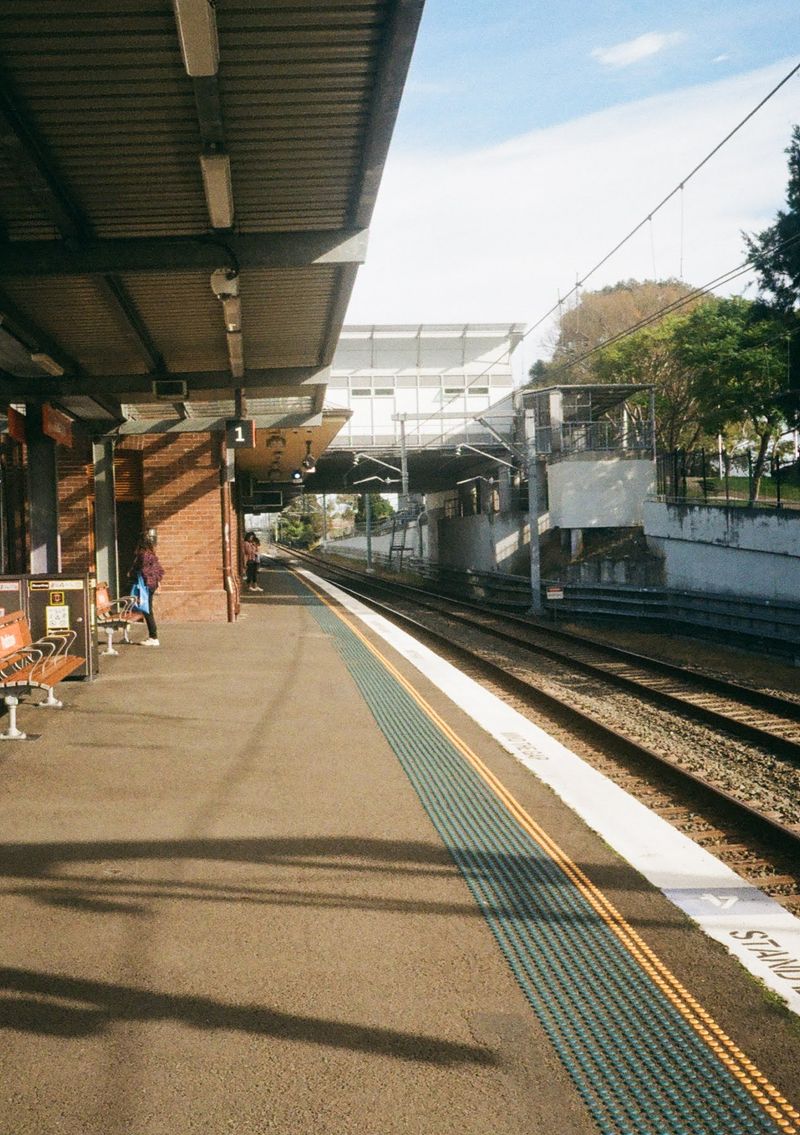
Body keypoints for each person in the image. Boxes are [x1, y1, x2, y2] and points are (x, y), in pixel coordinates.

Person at [129, 535, 165, 646]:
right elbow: (160, 571)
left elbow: (142, 570)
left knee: (147, 610)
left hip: (145, 586)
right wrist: (156, 581)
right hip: (151, 585)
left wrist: (132, 573)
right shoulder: (152, 555)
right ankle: (153, 636)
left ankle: (153, 637)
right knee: (147, 609)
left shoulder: (142, 555)